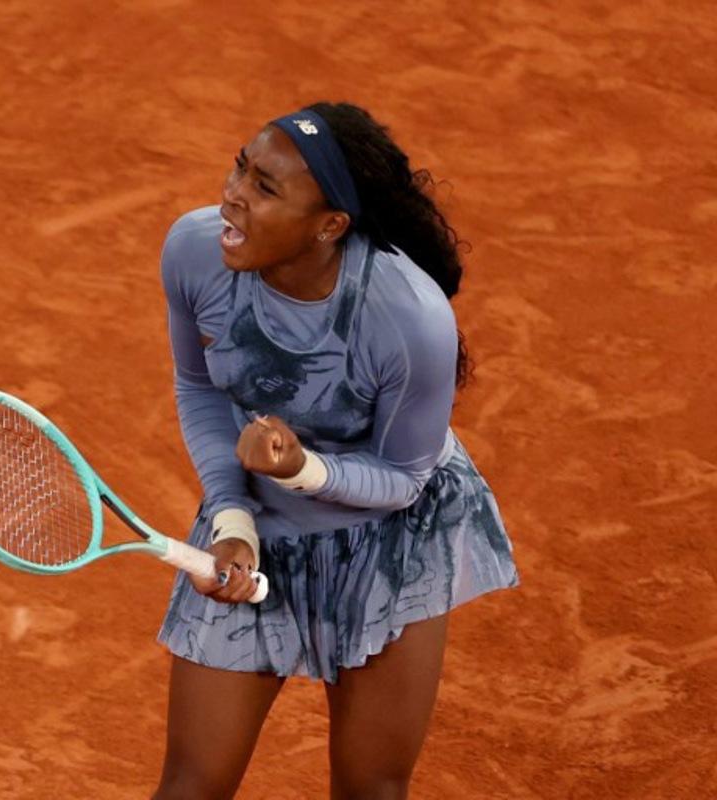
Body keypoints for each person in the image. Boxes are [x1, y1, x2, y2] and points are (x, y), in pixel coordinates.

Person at [152, 102, 519, 800]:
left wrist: (301, 468)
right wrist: (231, 518)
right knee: (191, 784)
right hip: (259, 525)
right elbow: (199, 387)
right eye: (241, 166)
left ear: (330, 226)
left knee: (369, 786)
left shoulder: (407, 318)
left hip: (389, 540)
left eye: (266, 187)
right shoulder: (195, 250)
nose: (233, 193)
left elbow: (406, 476)